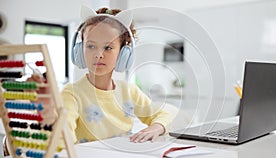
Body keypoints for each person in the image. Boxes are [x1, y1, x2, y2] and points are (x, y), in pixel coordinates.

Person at [2, 6, 175, 156]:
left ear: (124, 53)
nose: (98, 54)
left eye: (108, 48)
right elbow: (63, 140)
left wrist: (157, 127)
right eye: (91, 46)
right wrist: (47, 110)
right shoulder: (73, 94)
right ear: (79, 50)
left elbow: (166, 112)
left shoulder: (129, 92)